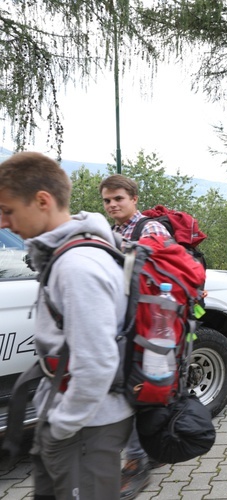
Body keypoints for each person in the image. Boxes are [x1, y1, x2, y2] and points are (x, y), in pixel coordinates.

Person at [0, 152, 132, 498]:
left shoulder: (77, 267)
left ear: (42, 200)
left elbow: (97, 362)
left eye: (8, 210)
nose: (3, 222)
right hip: (69, 416)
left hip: (87, 425)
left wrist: (61, 426)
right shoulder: (68, 254)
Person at [99, 174, 172, 500]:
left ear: (134, 199)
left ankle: (137, 461)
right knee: (139, 389)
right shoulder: (112, 231)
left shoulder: (150, 229)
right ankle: (150, 451)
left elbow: (159, 269)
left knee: (136, 389)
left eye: (118, 199)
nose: (113, 205)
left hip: (147, 323)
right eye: (107, 200)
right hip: (125, 323)